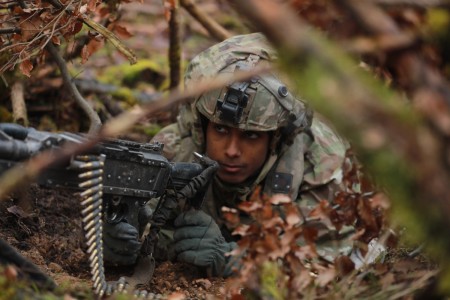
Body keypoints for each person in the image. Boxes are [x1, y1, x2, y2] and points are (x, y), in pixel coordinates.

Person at [103, 33, 368, 277]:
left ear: (276, 137)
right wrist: (124, 242)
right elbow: (144, 227)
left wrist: (236, 261)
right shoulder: (173, 150)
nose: (231, 150)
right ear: (202, 125)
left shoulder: (322, 165)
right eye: (220, 129)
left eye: (251, 135)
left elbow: (334, 266)